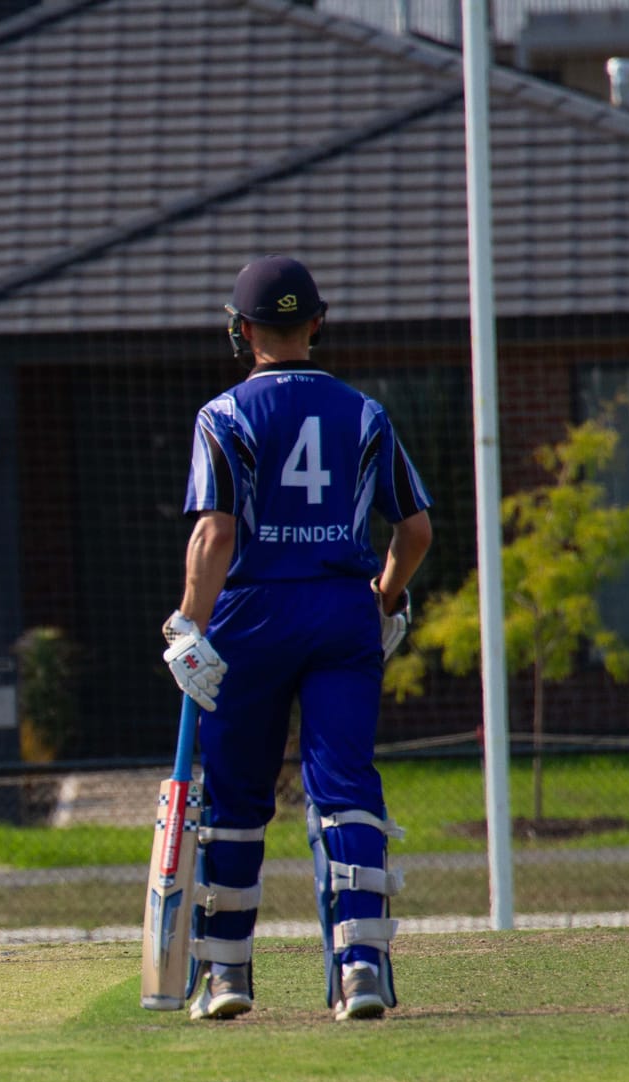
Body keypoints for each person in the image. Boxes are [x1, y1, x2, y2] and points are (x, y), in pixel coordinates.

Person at [164, 256, 432, 1022]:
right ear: (316, 323)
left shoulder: (223, 415)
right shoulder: (366, 413)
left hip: (251, 616)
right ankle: (362, 970)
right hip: (343, 611)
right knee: (345, 787)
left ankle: (224, 976)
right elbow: (414, 529)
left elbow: (215, 532)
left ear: (241, 331)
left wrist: (190, 622)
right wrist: (383, 599)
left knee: (239, 799)